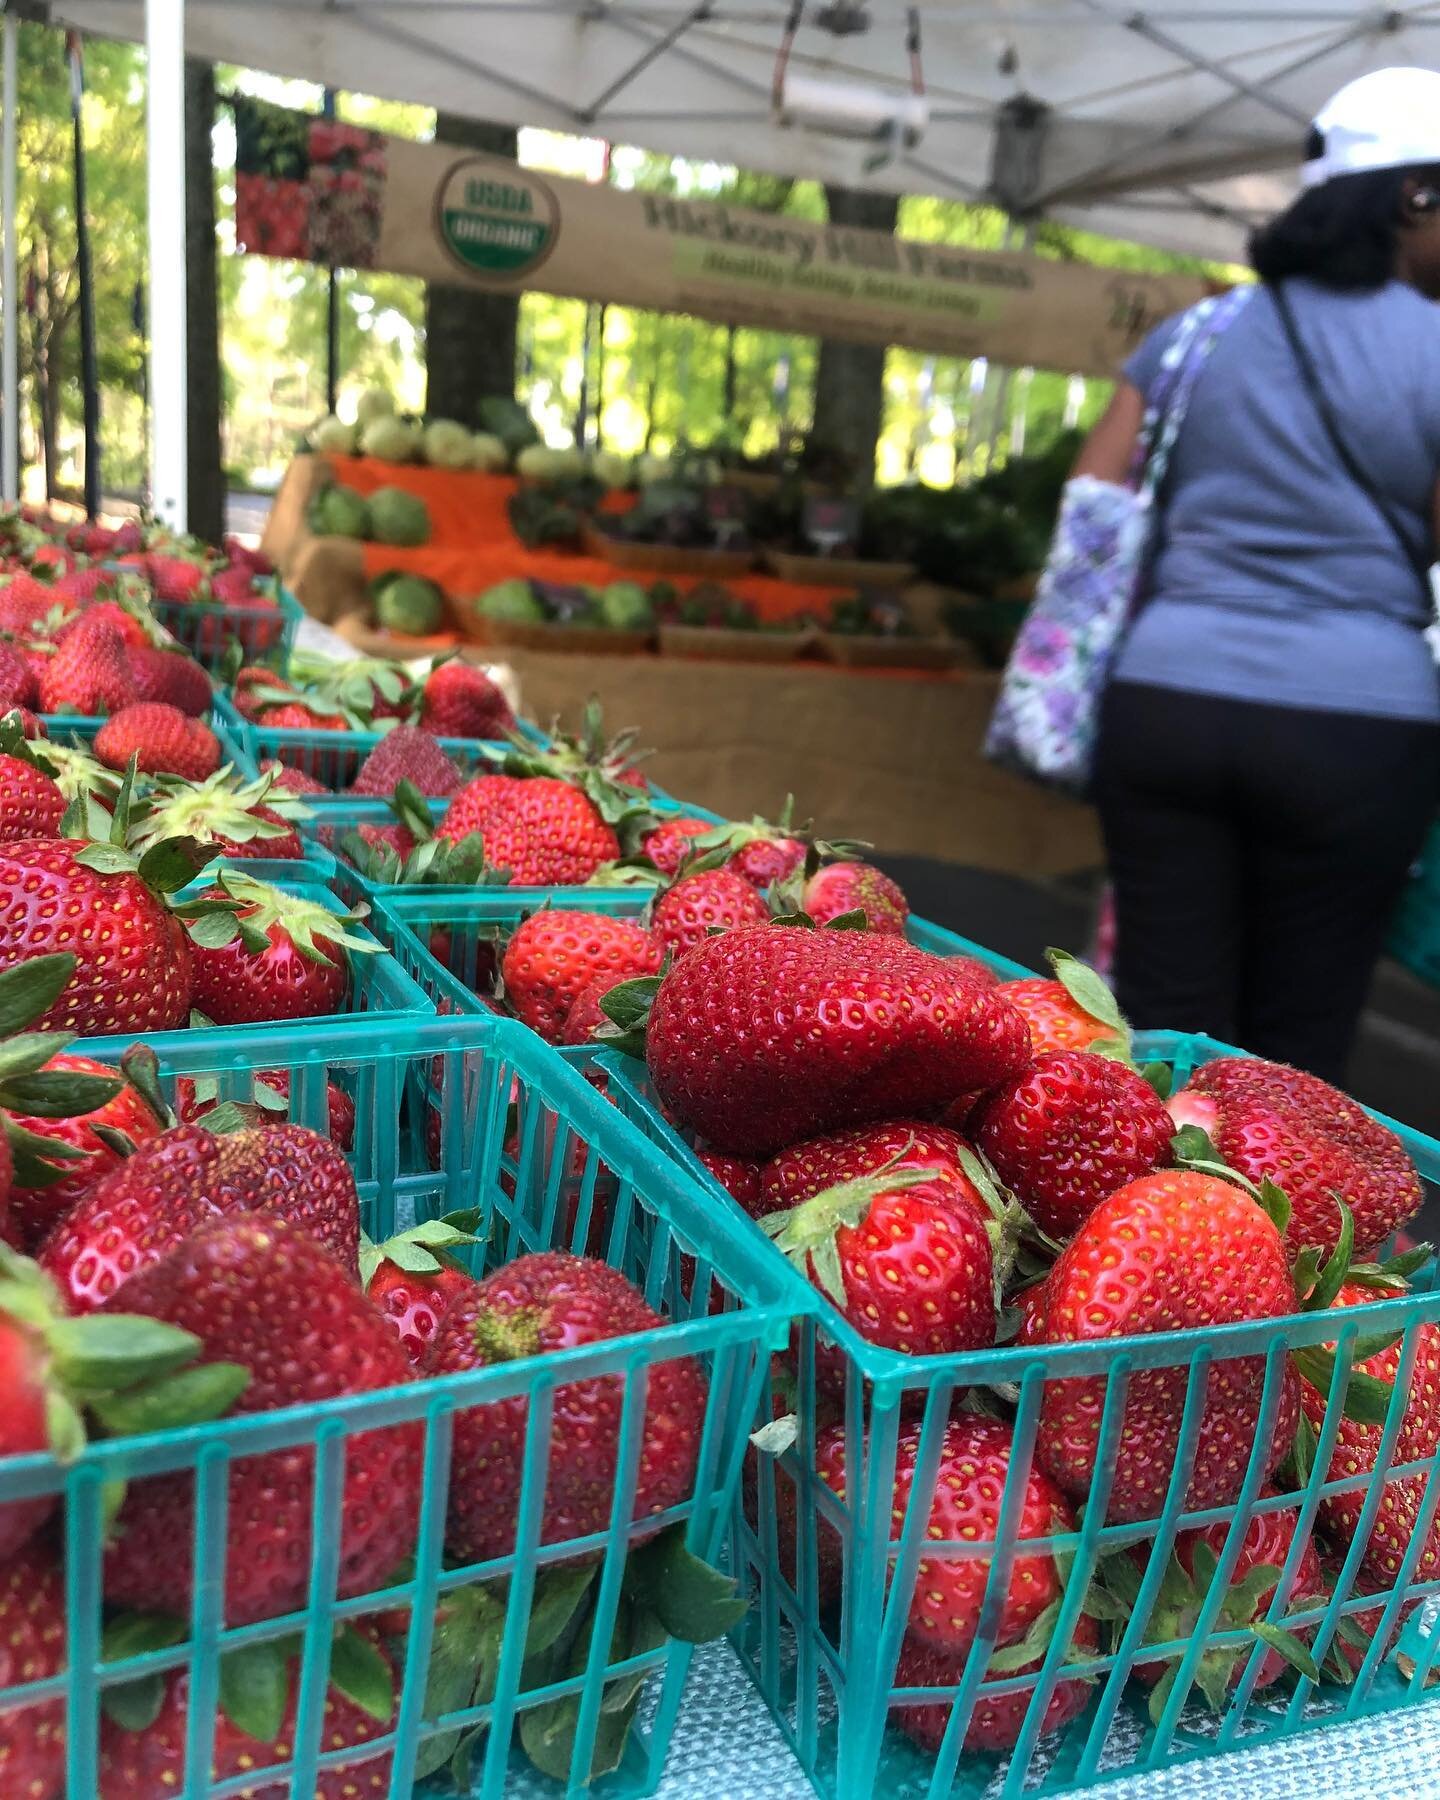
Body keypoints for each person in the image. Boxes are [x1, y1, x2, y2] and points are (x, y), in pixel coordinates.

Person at [1076, 67, 1440, 1082]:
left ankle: (1148, 1226)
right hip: (1354, 725)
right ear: (1416, 194)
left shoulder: (1196, 332)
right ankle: (1260, 1232)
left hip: (1167, 703)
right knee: (1300, 1042)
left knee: (1162, 1021)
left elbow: (1096, 496)